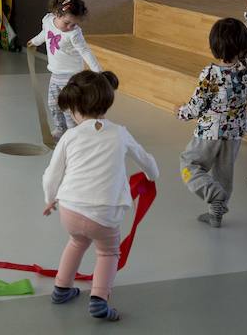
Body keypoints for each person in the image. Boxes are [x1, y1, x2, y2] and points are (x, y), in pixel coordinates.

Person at [42, 70, 159, 322]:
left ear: (75, 108)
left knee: (76, 242)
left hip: (70, 209)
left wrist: (49, 199)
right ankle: (99, 299)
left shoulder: (70, 136)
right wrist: (152, 175)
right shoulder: (119, 132)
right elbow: (145, 159)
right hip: (105, 214)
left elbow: (51, 174)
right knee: (107, 252)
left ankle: (61, 288)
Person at [177, 0, 247, 227]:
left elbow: (196, 106)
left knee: (189, 165)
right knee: (223, 175)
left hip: (208, 133)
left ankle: (214, 195)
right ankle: (216, 214)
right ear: (243, 47)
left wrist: (180, 111)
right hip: (234, 134)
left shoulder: (210, 73)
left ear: (214, 45)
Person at [28, 0, 103, 140]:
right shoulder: (48, 21)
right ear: (57, 13)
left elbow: (85, 51)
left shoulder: (74, 34)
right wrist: (35, 41)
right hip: (55, 74)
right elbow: (46, 34)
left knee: (69, 107)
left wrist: (97, 70)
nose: (69, 27)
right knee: (53, 104)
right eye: (67, 22)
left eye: (74, 24)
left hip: (71, 76)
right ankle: (60, 128)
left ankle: (72, 133)